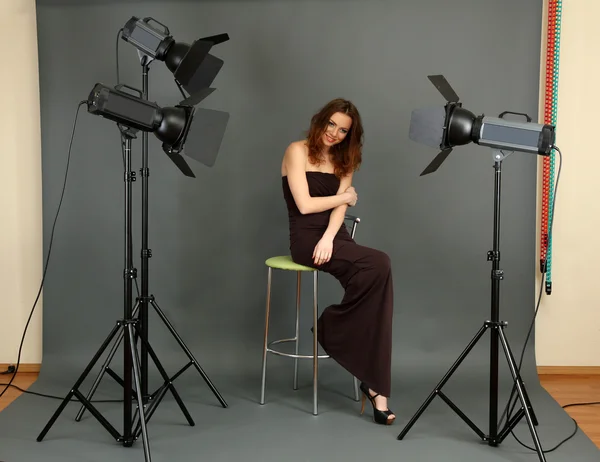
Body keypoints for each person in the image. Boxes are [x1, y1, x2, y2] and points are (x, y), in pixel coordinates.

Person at [280, 98, 395, 425]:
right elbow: (303, 205)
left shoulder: (346, 160)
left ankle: (374, 384)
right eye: (331, 125)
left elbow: (339, 212)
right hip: (305, 240)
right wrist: (344, 196)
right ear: (320, 121)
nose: (335, 133)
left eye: (343, 130)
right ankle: (334, 331)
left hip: (334, 237)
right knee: (379, 265)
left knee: (378, 273)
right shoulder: (297, 150)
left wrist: (331, 237)